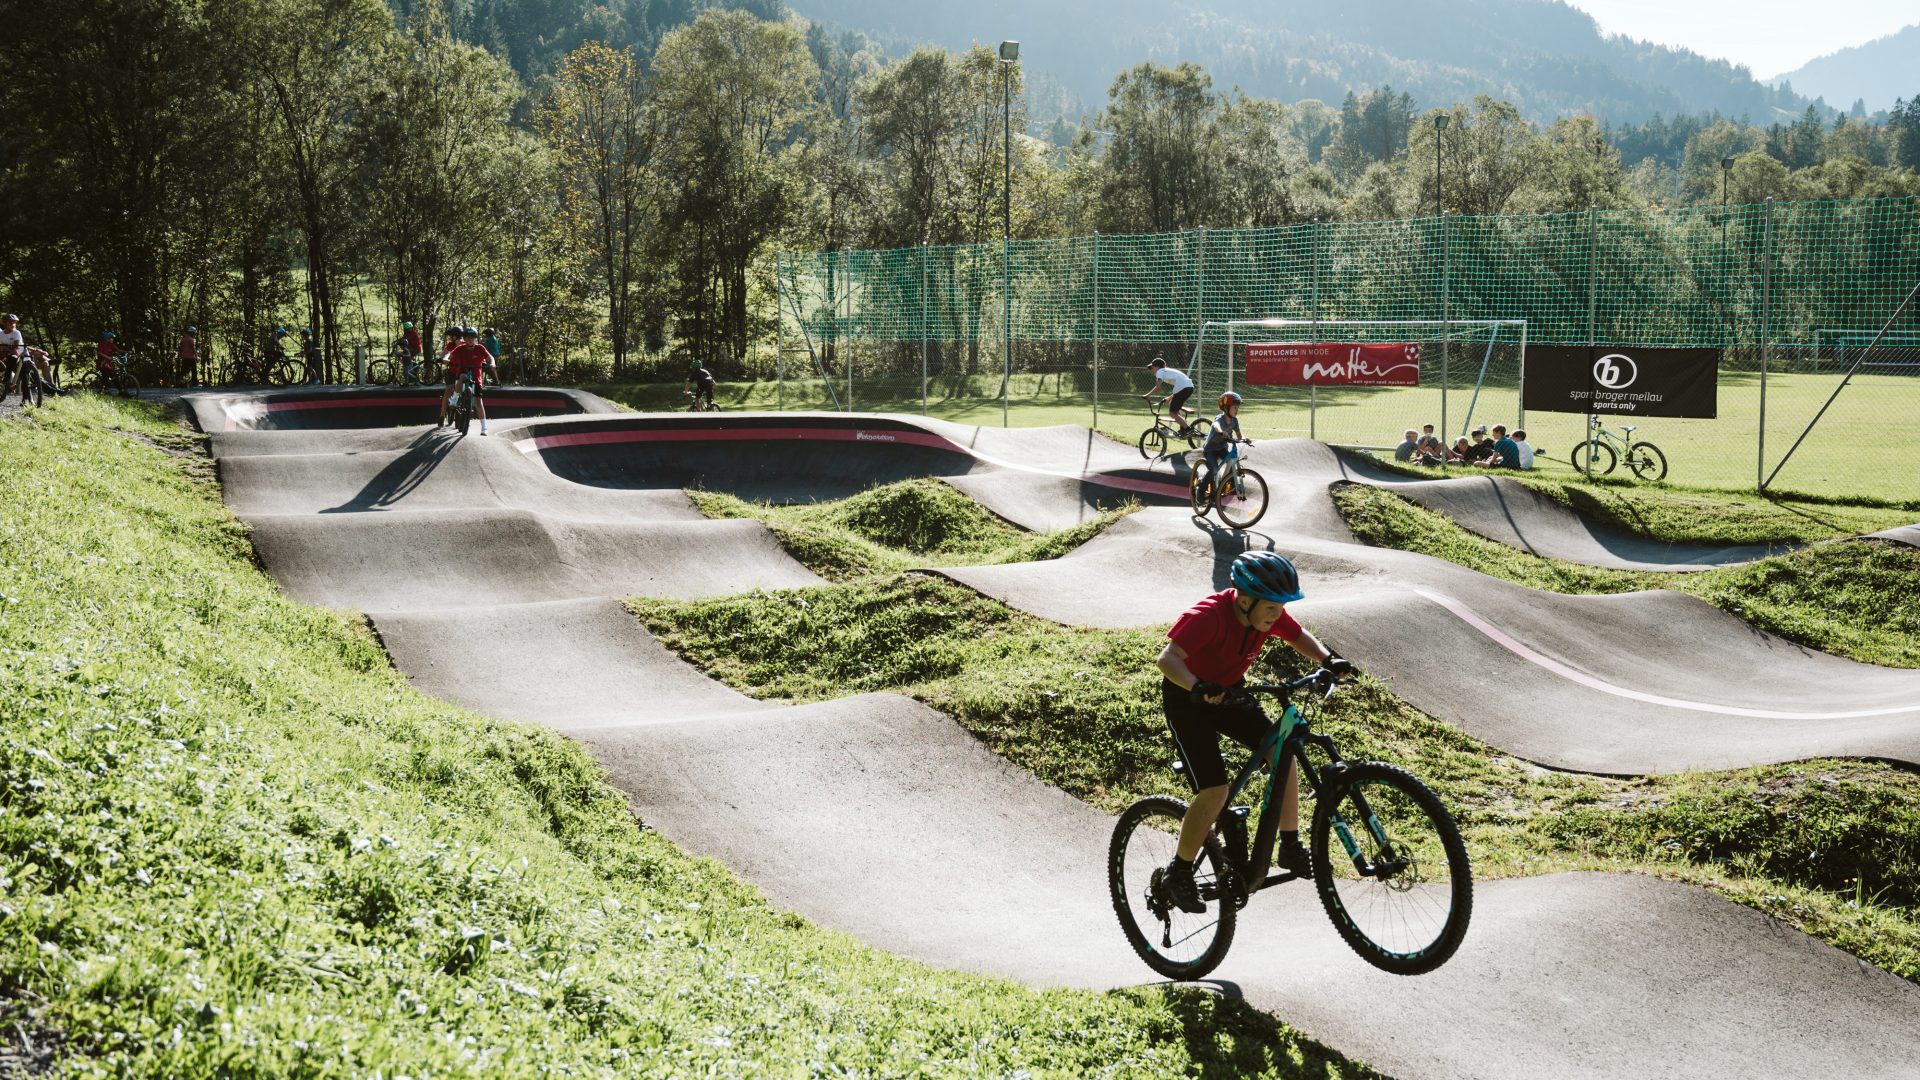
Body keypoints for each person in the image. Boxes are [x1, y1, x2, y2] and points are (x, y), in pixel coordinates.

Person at [1156, 551, 1355, 914]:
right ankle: (1179, 872)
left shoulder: (1266, 614)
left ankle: (1290, 845)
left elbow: (1297, 635)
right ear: (1244, 600)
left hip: (1230, 693)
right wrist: (1197, 686)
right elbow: (1167, 659)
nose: (1278, 615)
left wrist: (1328, 660)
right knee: (1215, 790)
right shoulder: (1208, 616)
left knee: (1283, 751)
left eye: (1282, 608)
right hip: (1189, 701)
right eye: (1272, 608)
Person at [440, 325, 494, 434]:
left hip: (476, 377)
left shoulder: (480, 348)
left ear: (475, 338)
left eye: (472, 337)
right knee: (462, 376)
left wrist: (492, 363)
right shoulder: (460, 348)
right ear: (464, 339)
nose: (470, 339)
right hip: (463, 372)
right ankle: (455, 398)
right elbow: (449, 355)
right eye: (468, 338)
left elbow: (490, 358)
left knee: (478, 402)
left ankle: (484, 427)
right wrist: (445, 359)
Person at [1199, 391, 1251, 495]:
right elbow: (1216, 425)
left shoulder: (1234, 421)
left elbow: (1239, 435)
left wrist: (1245, 439)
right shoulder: (1220, 418)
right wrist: (1221, 432)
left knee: (1232, 463)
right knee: (1214, 470)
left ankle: (1228, 486)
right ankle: (1200, 492)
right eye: (1234, 407)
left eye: (1238, 408)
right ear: (1226, 408)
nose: (1237, 410)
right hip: (1210, 450)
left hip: (1222, 448)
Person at [0, 313, 58, 392]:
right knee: (30, 370)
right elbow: (4, 348)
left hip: (20, 355)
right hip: (10, 358)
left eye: (14, 323)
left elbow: (18, 346)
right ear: (4, 323)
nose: (13, 324)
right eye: (10, 322)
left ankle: (53, 388)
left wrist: (37, 350)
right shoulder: (1, 334)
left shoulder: (16, 333)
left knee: (40, 363)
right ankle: (53, 390)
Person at [1142, 356, 1197, 433]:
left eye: (1152, 368)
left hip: (1183, 388)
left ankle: (1187, 429)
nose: (1151, 370)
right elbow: (1179, 388)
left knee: (1172, 413)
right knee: (1173, 406)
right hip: (1189, 387)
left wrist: (1147, 395)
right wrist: (1169, 398)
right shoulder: (1166, 371)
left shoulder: (1160, 372)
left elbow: (1158, 387)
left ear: (1156, 366)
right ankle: (1183, 428)